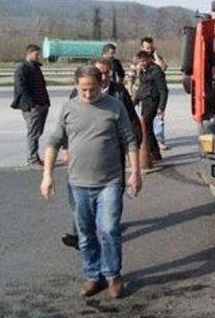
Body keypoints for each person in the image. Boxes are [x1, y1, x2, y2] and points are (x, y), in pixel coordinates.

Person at [40, 65, 141, 299]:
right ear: (76, 85)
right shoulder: (68, 108)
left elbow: (130, 141)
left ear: (101, 84)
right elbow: (54, 142)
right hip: (78, 183)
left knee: (108, 229)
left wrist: (135, 172)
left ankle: (113, 275)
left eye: (92, 89)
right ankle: (93, 275)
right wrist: (47, 176)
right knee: (85, 234)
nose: (87, 94)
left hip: (110, 182)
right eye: (83, 89)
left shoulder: (114, 106)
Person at [61, 57, 143, 250]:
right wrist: (66, 147)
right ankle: (79, 234)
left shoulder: (119, 92)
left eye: (108, 73)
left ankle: (110, 226)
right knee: (79, 200)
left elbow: (132, 120)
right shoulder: (78, 92)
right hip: (83, 162)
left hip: (114, 154)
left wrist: (134, 148)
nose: (105, 77)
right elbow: (68, 125)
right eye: (101, 73)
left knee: (113, 198)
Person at [10, 44, 51, 168]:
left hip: (42, 104)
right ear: (29, 54)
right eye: (36, 54)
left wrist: (46, 103)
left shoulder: (36, 67)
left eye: (39, 54)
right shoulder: (22, 68)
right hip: (32, 107)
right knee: (33, 133)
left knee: (38, 132)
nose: (39, 56)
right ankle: (32, 160)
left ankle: (36, 158)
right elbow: (21, 88)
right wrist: (31, 104)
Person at [133, 50, 168, 162]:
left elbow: (163, 91)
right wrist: (133, 102)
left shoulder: (156, 71)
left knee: (146, 127)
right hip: (145, 102)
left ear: (148, 59)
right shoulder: (143, 72)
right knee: (146, 128)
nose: (142, 63)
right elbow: (141, 89)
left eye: (143, 61)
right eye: (140, 61)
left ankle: (154, 152)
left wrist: (161, 107)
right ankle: (154, 152)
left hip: (153, 102)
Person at [140, 37, 169, 150]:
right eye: (147, 47)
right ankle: (148, 143)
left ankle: (159, 140)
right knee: (145, 121)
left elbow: (163, 67)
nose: (149, 50)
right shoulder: (139, 59)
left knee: (158, 119)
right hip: (145, 94)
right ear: (142, 47)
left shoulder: (156, 58)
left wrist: (156, 56)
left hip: (158, 94)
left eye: (151, 47)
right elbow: (132, 75)